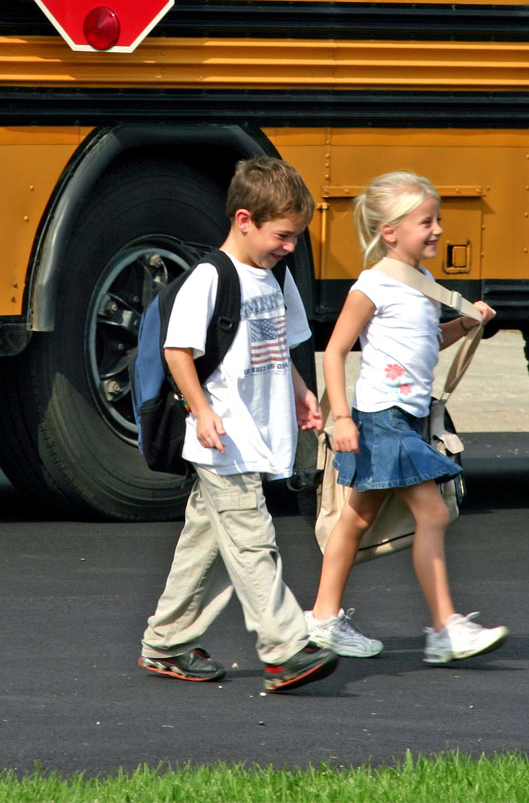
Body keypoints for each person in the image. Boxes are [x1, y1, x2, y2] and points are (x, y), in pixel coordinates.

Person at [139, 157, 338, 693]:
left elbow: (281, 343)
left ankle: (166, 641)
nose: (290, 247)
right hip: (224, 437)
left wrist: (301, 393)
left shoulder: (277, 276)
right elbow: (178, 351)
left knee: (206, 546)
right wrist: (202, 412)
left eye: (296, 237)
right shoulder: (211, 278)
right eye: (283, 235)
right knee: (252, 543)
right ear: (244, 219)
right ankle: (285, 649)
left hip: (260, 430)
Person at [306, 170, 508, 664]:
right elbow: (334, 352)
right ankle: (444, 629)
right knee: (433, 512)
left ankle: (323, 618)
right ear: (390, 231)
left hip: (405, 417)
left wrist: (465, 322)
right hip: (382, 419)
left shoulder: (423, 285)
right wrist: (342, 418)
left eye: (437, 219)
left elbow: (428, 341)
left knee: (354, 519)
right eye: (426, 221)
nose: (437, 229)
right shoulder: (372, 285)